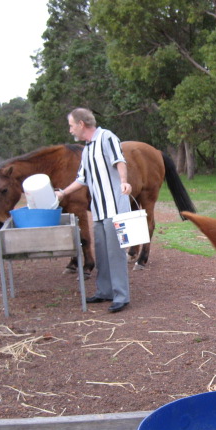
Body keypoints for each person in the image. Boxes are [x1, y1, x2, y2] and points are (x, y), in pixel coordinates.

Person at [55, 108, 132, 313]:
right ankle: (104, 291)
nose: (70, 130)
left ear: (81, 124)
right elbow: (82, 179)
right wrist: (62, 193)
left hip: (114, 207)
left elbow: (119, 161)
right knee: (102, 252)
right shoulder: (87, 149)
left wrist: (124, 181)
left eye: (72, 125)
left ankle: (121, 296)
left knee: (116, 253)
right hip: (98, 211)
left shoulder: (107, 137)